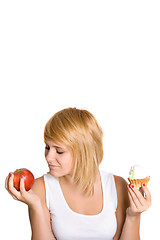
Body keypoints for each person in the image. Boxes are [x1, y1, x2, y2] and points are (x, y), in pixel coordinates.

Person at [5, 107, 152, 240]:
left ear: (84, 151)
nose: (48, 157)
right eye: (47, 147)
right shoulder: (41, 188)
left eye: (59, 151)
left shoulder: (117, 185)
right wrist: (35, 205)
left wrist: (133, 215)